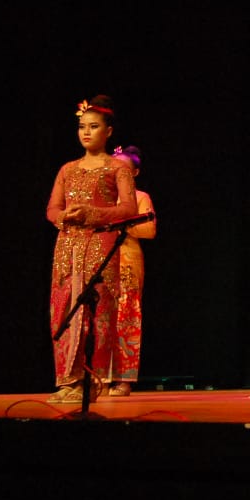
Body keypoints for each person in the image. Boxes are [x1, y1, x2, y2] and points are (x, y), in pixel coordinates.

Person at [44, 95, 138, 403]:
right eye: (82, 126)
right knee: (65, 313)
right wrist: (64, 217)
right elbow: (52, 209)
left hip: (100, 245)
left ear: (108, 131)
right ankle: (68, 381)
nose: (86, 133)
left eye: (94, 127)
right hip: (68, 246)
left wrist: (93, 214)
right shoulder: (67, 169)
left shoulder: (116, 169)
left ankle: (94, 381)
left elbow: (128, 208)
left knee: (99, 317)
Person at [106, 145, 157, 397]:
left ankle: (123, 379)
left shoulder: (140, 197)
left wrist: (121, 224)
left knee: (126, 319)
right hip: (101, 262)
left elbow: (149, 230)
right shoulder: (100, 196)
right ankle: (97, 378)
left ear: (134, 173)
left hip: (126, 262)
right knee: (99, 319)